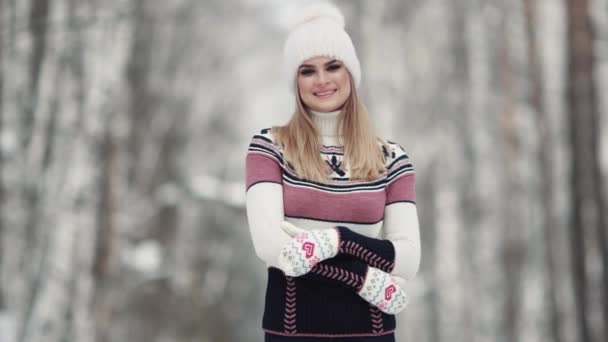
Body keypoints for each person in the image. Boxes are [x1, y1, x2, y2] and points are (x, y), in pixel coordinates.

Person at [245, 2, 421, 341]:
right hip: (292, 330)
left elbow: (408, 259)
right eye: (307, 70)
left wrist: (334, 240)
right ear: (294, 80)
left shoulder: (392, 158)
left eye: (333, 66)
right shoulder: (269, 148)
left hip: (371, 331)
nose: (322, 80)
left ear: (351, 73)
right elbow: (272, 245)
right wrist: (364, 278)